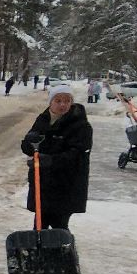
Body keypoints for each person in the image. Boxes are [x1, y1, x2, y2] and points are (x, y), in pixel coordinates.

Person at [20, 83, 91, 230]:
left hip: (65, 185)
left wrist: (51, 161)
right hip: (43, 184)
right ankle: (40, 253)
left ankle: (65, 253)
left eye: (67, 101)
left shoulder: (80, 125)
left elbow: (77, 154)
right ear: (51, 102)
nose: (62, 104)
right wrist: (29, 142)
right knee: (39, 227)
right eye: (58, 100)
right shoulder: (43, 119)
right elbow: (29, 148)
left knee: (59, 227)